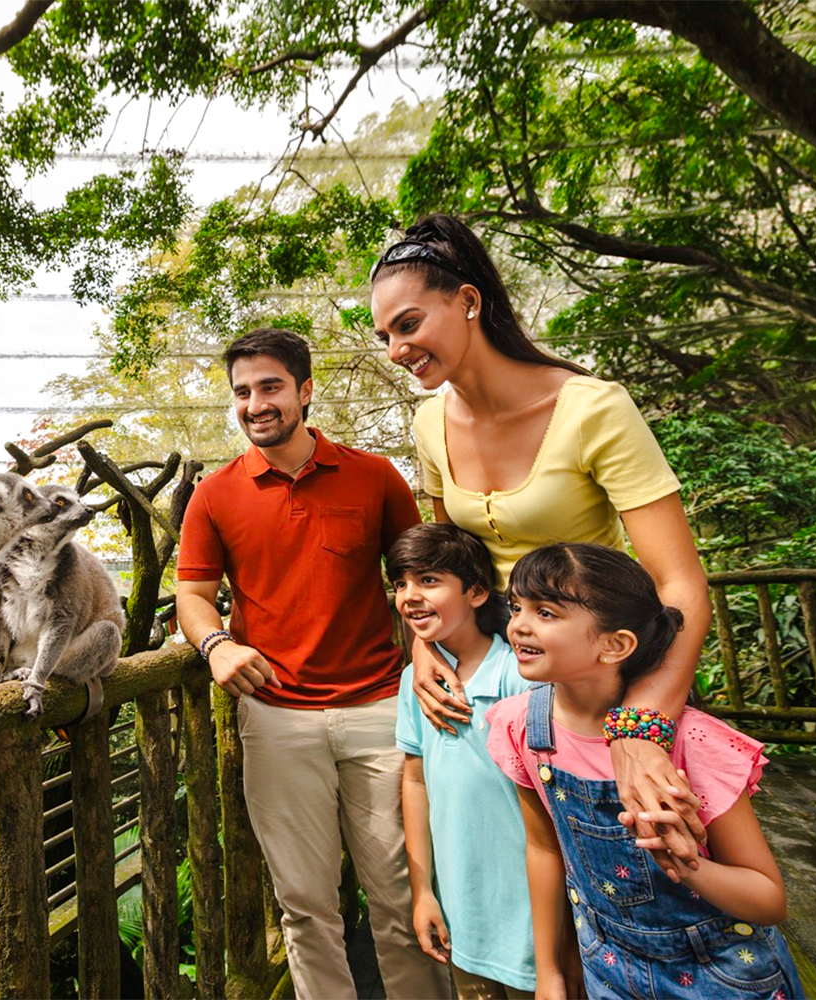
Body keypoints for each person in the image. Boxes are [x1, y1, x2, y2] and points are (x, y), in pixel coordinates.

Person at [370, 214, 711, 872]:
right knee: (523, 875)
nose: (394, 349)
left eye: (408, 324)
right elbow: (451, 566)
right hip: (501, 685)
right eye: (385, 335)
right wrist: (423, 645)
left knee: (646, 870)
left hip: (606, 673)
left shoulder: (592, 408)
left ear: (468, 301)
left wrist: (643, 726)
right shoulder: (430, 422)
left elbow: (680, 584)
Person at [176, 328, 448, 1000]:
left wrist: (427, 656)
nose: (255, 403)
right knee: (303, 904)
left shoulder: (375, 476)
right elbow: (192, 594)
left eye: (269, 386)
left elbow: (420, 580)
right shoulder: (214, 495)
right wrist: (217, 645)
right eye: (242, 392)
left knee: (401, 894)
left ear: (304, 389)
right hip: (276, 719)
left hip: (383, 710)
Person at [487, 543, 804, 1000]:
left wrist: (689, 867)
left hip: (723, 976)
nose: (518, 624)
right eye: (516, 607)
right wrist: (549, 971)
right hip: (607, 969)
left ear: (615, 645)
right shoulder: (521, 726)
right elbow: (543, 849)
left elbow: (768, 899)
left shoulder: (692, 743)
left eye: (546, 613)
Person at [391, 523, 536, 1000]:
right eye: (400, 584)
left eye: (429, 580)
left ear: (476, 592)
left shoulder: (520, 676)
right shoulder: (416, 680)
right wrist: (423, 893)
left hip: (534, 916)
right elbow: (415, 782)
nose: (410, 595)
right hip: (460, 915)